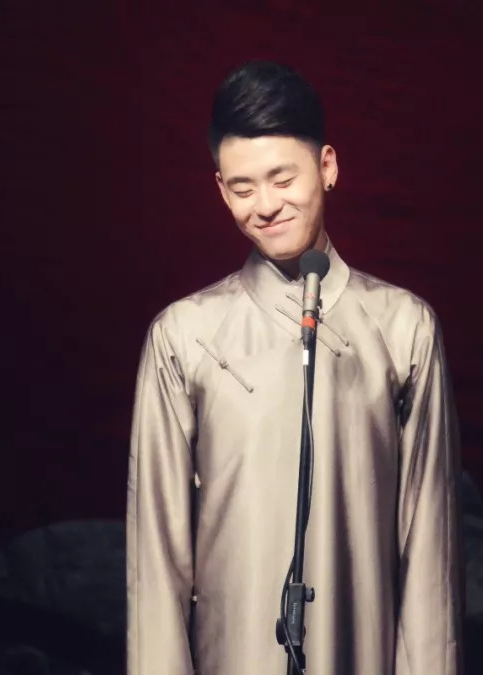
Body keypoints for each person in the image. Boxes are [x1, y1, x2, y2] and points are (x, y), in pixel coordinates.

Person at [126, 60, 463, 675]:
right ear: (220, 189)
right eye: (242, 188)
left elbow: (430, 555)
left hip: (359, 652)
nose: (266, 206)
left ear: (327, 167)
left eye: (283, 179)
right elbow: (157, 559)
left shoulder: (404, 329)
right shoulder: (183, 336)